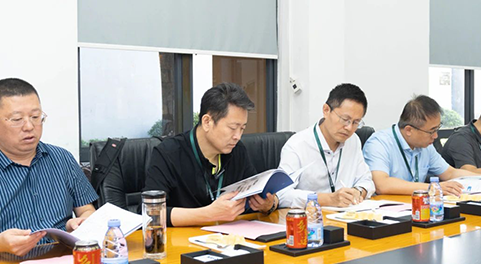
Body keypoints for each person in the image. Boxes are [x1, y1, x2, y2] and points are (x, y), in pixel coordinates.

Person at [0, 78, 98, 256]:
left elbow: (86, 209)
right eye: (17, 119)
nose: (29, 126)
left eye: (35, 117)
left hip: (63, 259)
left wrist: (81, 223)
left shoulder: (62, 158)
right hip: (6, 263)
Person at [144, 82, 275, 227]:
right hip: (182, 239)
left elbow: (255, 194)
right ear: (207, 122)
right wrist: (209, 214)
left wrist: (268, 205)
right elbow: (150, 213)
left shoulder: (237, 151)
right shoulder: (168, 153)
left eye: (242, 129)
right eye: (232, 128)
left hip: (228, 237)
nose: (237, 136)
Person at [277, 83, 375, 208]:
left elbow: (366, 180)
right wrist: (329, 199)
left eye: (356, 122)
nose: (349, 128)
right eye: (345, 119)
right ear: (326, 110)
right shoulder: (297, 145)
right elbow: (282, 195)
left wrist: (358, 191)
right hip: (310, 217)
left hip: (346, 215)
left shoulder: (353, 140)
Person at [363, 95, 480, 196]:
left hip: (416, 206)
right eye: (431, 131)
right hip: (386, 209)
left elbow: (450, 173)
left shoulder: (426, 146)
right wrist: (431, 188)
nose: (435, 136)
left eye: (437, 129)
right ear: (409, 130)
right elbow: (381, 184)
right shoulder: (379, 143)